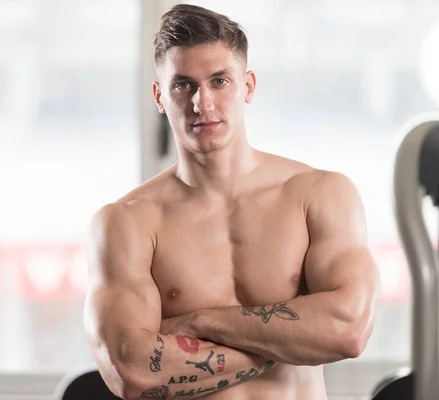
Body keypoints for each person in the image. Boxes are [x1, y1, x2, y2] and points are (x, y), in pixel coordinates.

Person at [83, 4, 380, 399]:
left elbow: (348, 330)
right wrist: (297, 338)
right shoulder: (126, 224)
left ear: (249, 86)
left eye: (219, 81)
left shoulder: (318, 195)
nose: (202, 104)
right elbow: (134, 373)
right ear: (159, 96)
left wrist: (198, 321)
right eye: (183, 84)